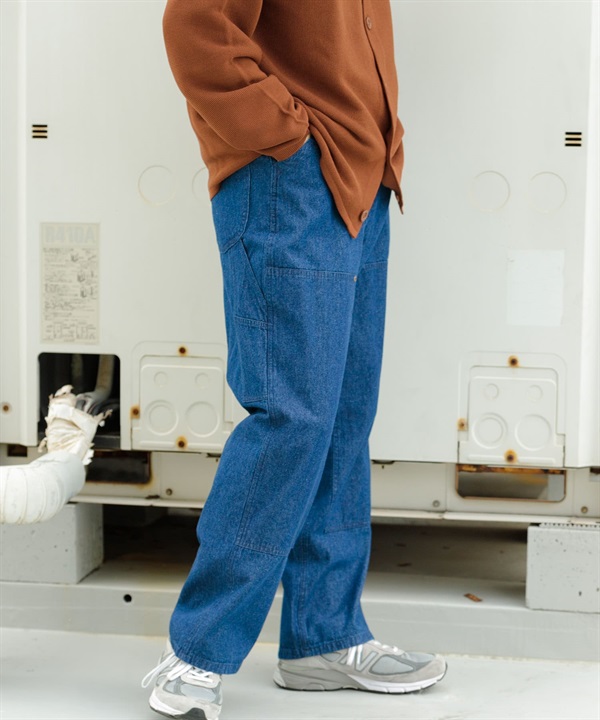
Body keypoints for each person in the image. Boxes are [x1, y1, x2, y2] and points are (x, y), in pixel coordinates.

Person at [142, 2, 447, 718]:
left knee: (342, 418)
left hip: (361, 183)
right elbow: (197, 29)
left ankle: (323, 637)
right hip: (293, 182)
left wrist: (375, 146)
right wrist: (289, 139)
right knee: (292, 416)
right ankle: (198, 651)